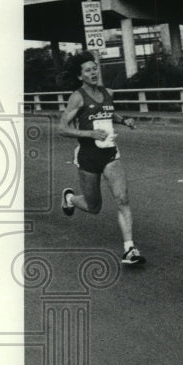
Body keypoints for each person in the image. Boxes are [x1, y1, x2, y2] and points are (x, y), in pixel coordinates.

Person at [58, 51, 145, 265]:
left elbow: (107, 112)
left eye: (95, 68)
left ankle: (129, 249)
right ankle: (70, 199)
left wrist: (123, 121)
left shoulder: (108, 92)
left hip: (110, 153)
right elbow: (62, 128)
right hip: (88, 156)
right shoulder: (77, 97)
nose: (93, 73)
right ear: (80, 76)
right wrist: (90, 133)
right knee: (93, 207)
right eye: (88, 70)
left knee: (122, 199)